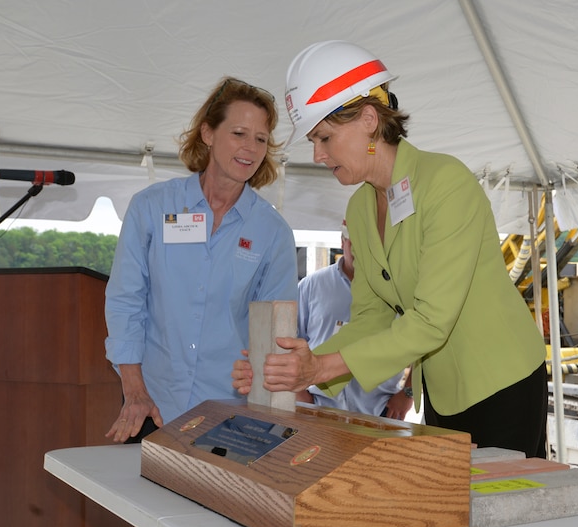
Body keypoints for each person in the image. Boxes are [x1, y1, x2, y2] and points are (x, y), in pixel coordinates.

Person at [233, 40, 547, 457]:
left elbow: (431, 321)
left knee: (508, 513)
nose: (318, 154)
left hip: (502, 380)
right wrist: (287, 370)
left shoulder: (445, 182)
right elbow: (370, 318)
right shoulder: (361, 208)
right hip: (442, 390)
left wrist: (319, 367)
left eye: (324, 137)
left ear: (367, 120)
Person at [104, 76, 299, 527]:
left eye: (262, 139)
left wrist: (262, 376)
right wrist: (133, 390)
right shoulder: (152, 208)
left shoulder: (271, 232)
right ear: (208, 133)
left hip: (228, 413)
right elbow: (126, 300)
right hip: (155, 400)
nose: (249, 147)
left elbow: (276, 328)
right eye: (238, 132)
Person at [297, 219, 414, 419]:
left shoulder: (398, 291)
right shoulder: (311, 286)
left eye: (369, 247)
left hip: (379, 408)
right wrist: (298, 392)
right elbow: (292, 341)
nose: (362, 253)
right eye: (355, 244)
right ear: (343, 242)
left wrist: (408, 393)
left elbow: (419, 341)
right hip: (319, 406)